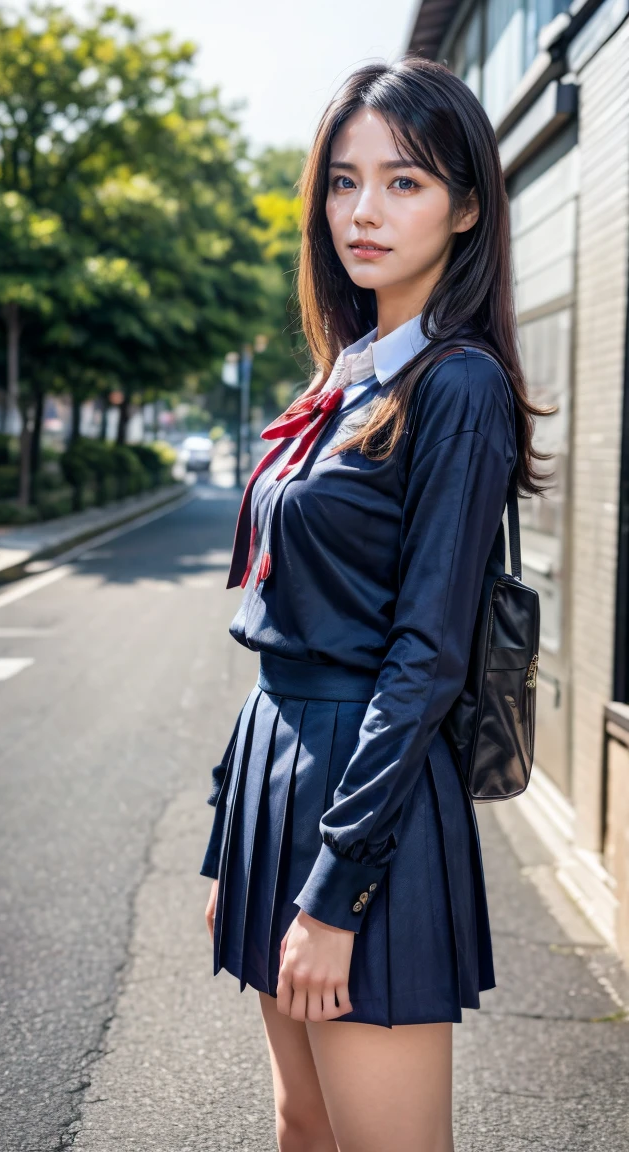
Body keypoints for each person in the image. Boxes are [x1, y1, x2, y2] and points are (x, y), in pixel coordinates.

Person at [201, 54, 546, 1152]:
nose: (363, 210)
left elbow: (427, 656)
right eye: (343, 182)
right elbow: (282, 624)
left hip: (369, 797)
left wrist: (332, 893)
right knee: (304, 1125)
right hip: (279, 774)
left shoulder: (458, 386)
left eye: (403, 182)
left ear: (466, 206)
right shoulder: (349, 368)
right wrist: (231, 838)